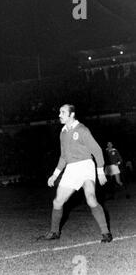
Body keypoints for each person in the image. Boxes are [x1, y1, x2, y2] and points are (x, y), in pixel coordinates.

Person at [40, 104, 113, 243]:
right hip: (71, 169)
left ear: (72, 115)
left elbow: (97, 151)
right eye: (59, 112)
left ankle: (106, 233)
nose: (59, 115)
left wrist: (100, 172)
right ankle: (54, 232)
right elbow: (63, 156)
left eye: (63, 112)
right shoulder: (63, 132)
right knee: (57, 201)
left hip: (86, 166)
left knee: (91, 199)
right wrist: (55, 175)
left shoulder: (82, 130)